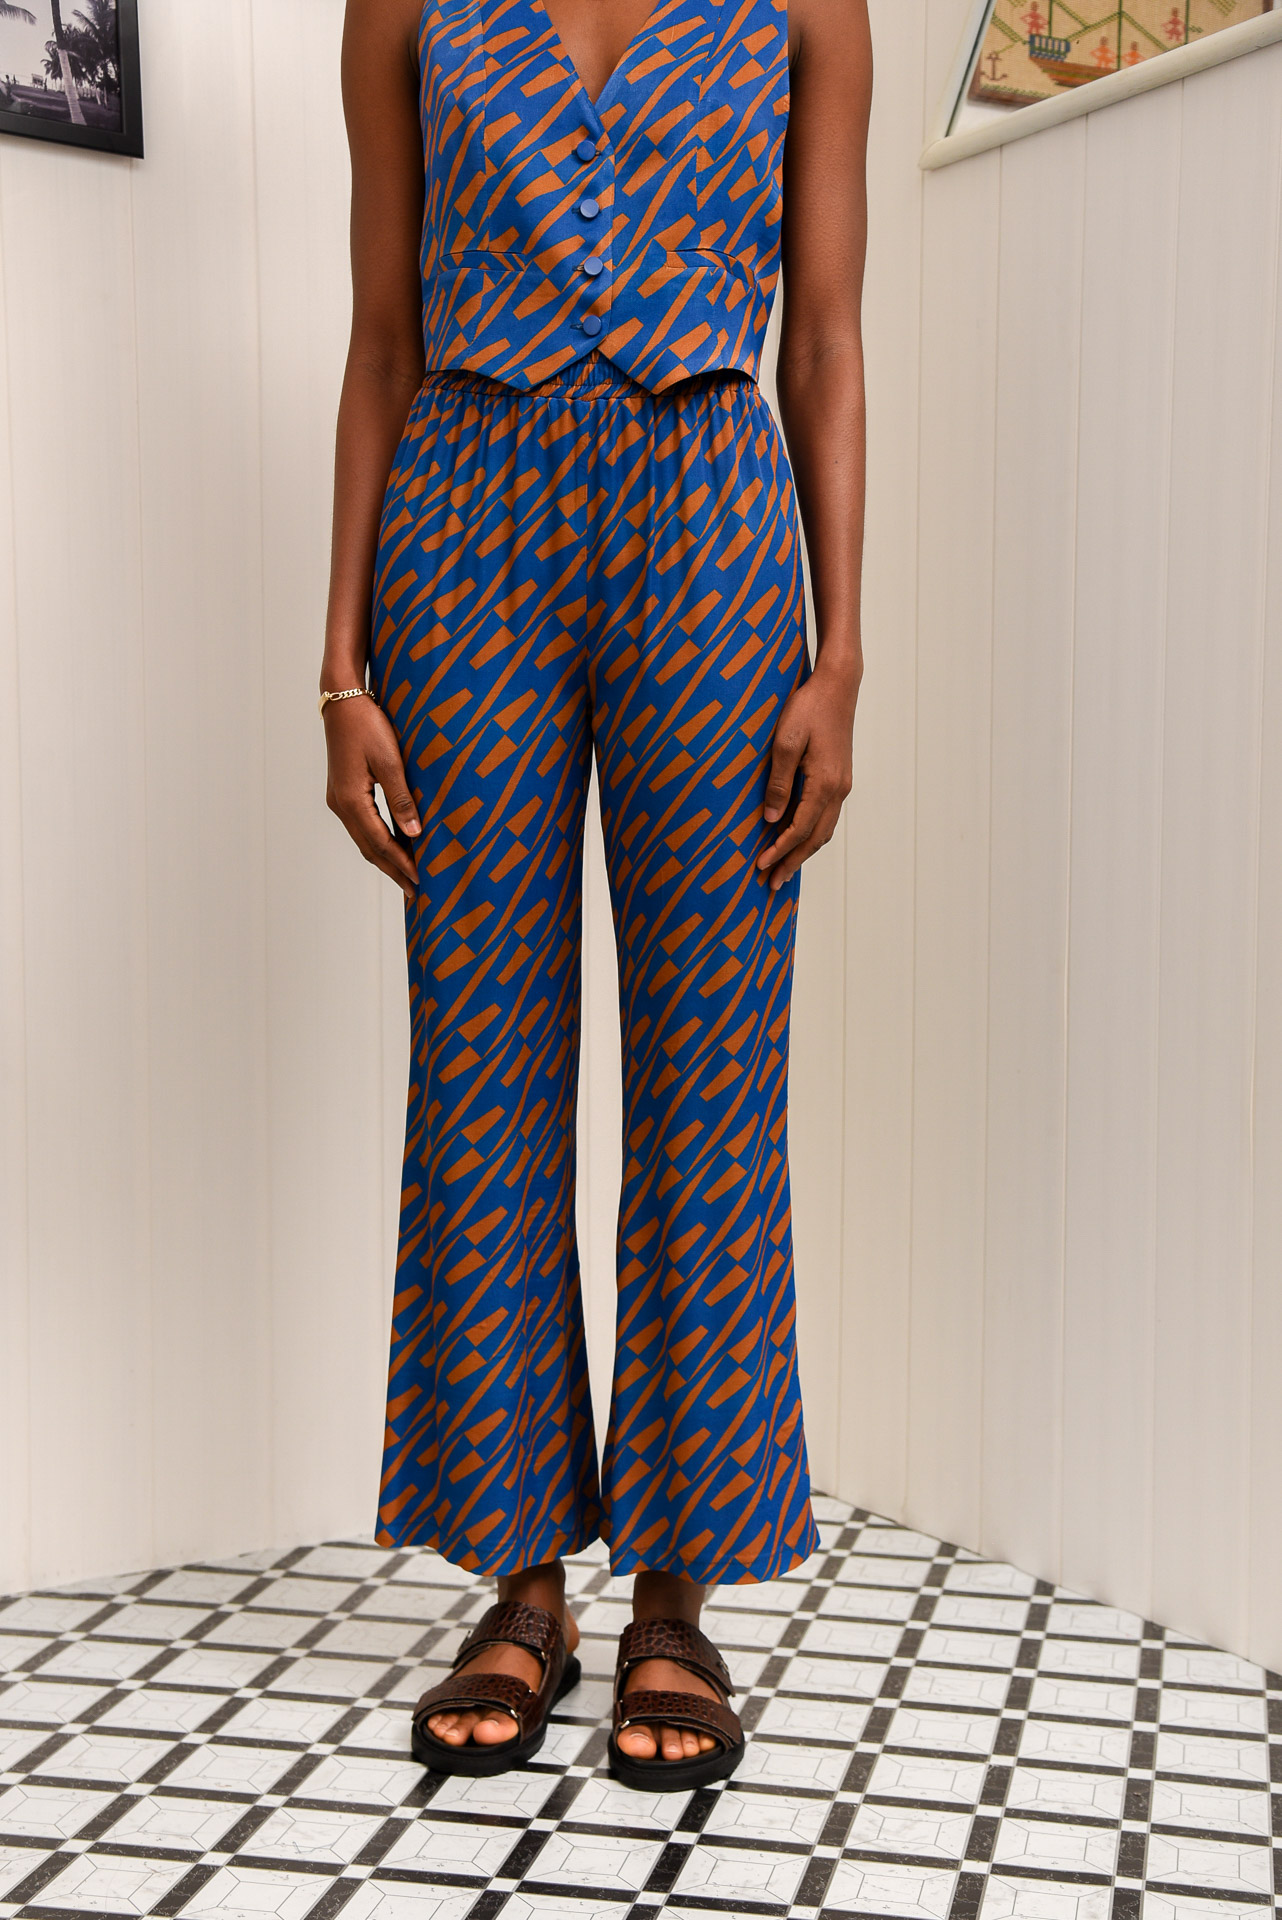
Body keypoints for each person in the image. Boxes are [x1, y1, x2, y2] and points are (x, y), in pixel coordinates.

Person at [321, 0, 871, 1791]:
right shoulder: (403, 4)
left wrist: (840, 655)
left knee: (713, 1074)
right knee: (480, 1063)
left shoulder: (808, 5)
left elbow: (826, 337)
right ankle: (521, 1581)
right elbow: (382, 333)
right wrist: (340, 671)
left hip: (708, 516)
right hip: (463, 514)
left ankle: (676, 1600)